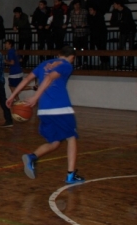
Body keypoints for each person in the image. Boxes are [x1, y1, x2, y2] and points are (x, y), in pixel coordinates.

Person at [7, 46, 85, 184]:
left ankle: (32, 157)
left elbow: (27, 79)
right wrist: (35, 97)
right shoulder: (67, 65)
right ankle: (71, 175)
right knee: (71, 138)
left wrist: (12, 96)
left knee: (55, 142)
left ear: (59, 54)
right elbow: (50, 77)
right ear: (72, 57)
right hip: (60, 108)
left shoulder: (44, 64)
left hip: (44, 110)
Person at [110, 0, 136, 69]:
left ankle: (129, 62)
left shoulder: (127, 11)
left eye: (114, 4)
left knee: (131, 47)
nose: (113, 6)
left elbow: (126, 22)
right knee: (120, 47)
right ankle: (120, 63)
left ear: (118, 4)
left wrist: (120, 22)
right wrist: (120, 22)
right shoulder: (115, 11)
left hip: (130, 30)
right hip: (123, 31)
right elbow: (112, 22)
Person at [67, 1, 89, 68]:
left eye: (78, 4)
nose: (77, 6)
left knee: (84, 48)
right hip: (76, 33)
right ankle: (79, 62)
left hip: (83, 32)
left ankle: (85, 62)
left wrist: (85, 24)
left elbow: (88, 20)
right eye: (75, 5)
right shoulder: (72, 12)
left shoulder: (84, 12)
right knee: (76, 48)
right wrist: (73, 25)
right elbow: (72, 21)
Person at [88, 5, 110, 69]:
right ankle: (103, 62)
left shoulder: (99, 16)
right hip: (96, 35)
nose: (90, 11)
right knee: (100, 49)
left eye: (91, 10)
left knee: (102, 48)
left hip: (101, 35)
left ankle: (105, 62)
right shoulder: (91, 17)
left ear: (94, 10)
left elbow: (99, 27)